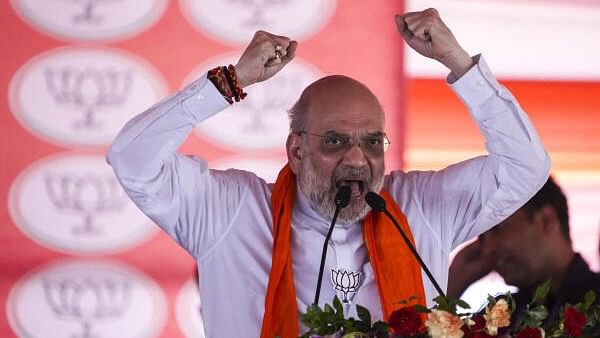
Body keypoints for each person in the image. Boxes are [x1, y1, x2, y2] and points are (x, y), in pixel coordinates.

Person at [107, 8, 550, 338]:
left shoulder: (421, 208)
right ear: (296, 151)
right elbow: (132, 158)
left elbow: (525, 166)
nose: (358, 160)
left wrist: (458, 62)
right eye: (336, 142)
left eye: (373, 142)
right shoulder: (230, 212)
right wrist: (230, 81)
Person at [448, 177, 600, 328]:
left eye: (497, 227)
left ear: (547, 220)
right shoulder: (500, 315)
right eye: (481, 235)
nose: (487, 248)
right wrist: (453, 283)